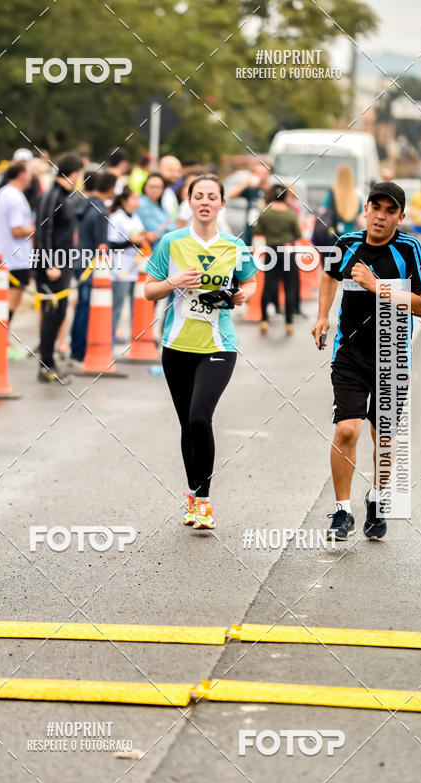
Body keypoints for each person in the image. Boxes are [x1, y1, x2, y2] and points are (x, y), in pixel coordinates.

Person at [311, 181, 421, 541]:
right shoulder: (345, 245)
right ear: (365, 209)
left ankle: (377, 498)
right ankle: (343, 512)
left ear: (401, 216)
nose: (380, 216)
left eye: (389, 210)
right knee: (347, 429)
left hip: (392, 355)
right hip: (349, 353)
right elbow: (329, 277)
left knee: (384, 439)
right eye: (375, 207)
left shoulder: (411, 249)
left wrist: (377, 285)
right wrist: (322, 316)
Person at [144, 175, 258, 530]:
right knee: (186, 426)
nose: (205, 201)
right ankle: (193, 496)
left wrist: (244, 295)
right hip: (177, 346)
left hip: (219, 346)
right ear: (189, 202)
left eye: (212, 196)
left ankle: (204, 502)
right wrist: (173, 283)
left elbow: (250, 281)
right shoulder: (171, 242)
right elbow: (149, 291)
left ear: (222, 204)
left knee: (199, 418)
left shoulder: (234, 247)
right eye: (199, 196)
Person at [33, 152, 83, 383]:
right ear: (73, 173)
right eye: (79, 174)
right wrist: (49, 262)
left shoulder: (64, 195)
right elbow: (44, 230)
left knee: (59, 312)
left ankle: (49, 362)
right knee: (52, 314)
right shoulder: (52, 195)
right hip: (52, 264)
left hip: (63, 262)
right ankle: (46, 366)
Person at [68, 171, 116, 367]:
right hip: (91, 266)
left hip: (79, 261)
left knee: (82, 306)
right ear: (111, 188)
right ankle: (80, 353)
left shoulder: (84, 204)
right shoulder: (101, 211)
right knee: (87, 308)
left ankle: (75, 350)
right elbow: (103, 246)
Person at [0, 161, 35, 336]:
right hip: (16, 258)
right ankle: (1, 341)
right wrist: (35, 228)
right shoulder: (16, 197)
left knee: (1, 301)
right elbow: (17, 230)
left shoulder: (3, 193)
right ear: (22, 174)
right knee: (11, 302)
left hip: (3, 255)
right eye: (29, 172)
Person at [253, 185, 301, 336]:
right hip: (287, 251)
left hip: (270, 251)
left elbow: (258, 231)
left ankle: (264, 320)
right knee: (289, 287)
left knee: (268, 286)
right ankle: (288, 323)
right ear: (286, 196)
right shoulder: (290, 214)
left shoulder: (265, 213)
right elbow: (298, 234)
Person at [107, 188, 149, 343]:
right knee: (117, 304)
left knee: (136, 306)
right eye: (133, 198)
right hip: (120, 268)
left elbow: (139, 237)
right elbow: (111, 244)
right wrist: (132, 241)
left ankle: (136, 340)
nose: (137, 202)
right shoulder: (116, 218)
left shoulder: (136, 218)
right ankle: (109, 339)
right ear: (124, 201)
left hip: (135, 268)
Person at [228, 160, 272, 245]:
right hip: (251, 225)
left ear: (268, 174)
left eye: (263, 172)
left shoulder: (272, 190)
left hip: (267, 227)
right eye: (257, 172)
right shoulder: (251, 189)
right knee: (247, 247)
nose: (260, 175)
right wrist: (246, 183)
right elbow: (231, 196)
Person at [323, 164, 362, 238]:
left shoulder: (332, 194)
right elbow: (360, 219)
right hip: (350, 237)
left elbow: (324, 211)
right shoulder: (356, 197)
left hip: (334, 236)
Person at [138, 173, 177, 246]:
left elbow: (175, 226)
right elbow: (154, 232)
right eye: (151, 186)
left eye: (158, 187)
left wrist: (164, 226)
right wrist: (167, 225)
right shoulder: (141, 204)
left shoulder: (160, 205)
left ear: (163, 189)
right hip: (151, 250)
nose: (154, 190)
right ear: (145, 187)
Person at [158, 155, 182, 224]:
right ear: (159, 169)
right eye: (171, 170)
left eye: (178, 171)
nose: (176, 174)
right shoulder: (153, 193)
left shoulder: (169, 190)